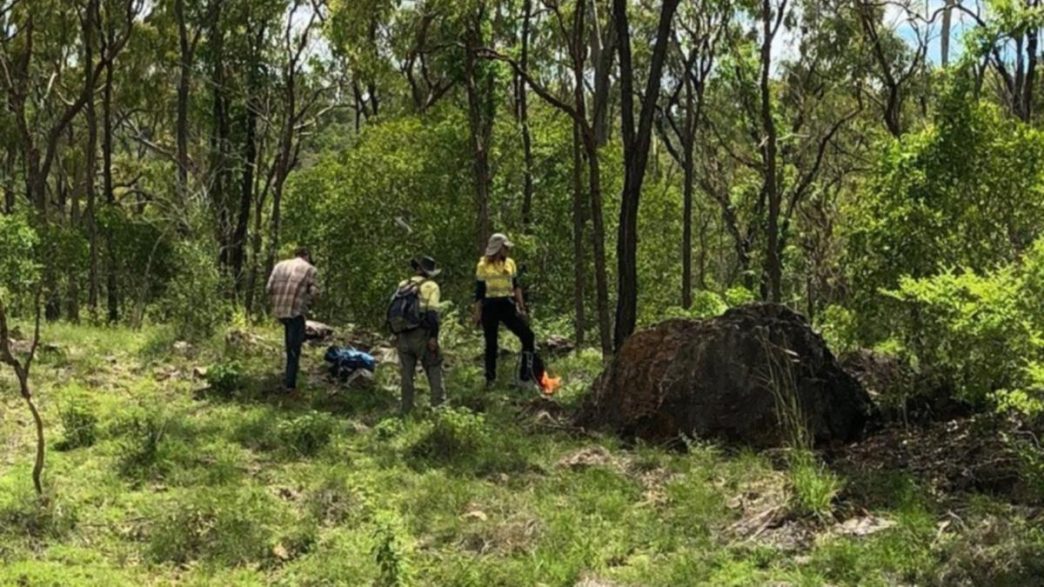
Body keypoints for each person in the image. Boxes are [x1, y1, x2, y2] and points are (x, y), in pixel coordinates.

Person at [472, 233, 536, 388]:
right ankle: (490, 379)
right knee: (491, 343)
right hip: (490, 306)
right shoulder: (482, 266)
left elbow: (516, 285)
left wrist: (522, 307)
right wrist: (477, 313)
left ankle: (525, 376)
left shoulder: (510, 263)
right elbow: (479, 292)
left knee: (528, 335)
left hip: (507, 304)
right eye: (505, 247)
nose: (507, 250)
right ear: (498, 248)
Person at [394, 256, 445, 413]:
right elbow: (432, 314)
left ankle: (406, 409)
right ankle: (439, 408)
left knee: (407, 375)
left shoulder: (403, 284)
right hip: (422, 334)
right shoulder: (431, 286)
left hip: (403, 335)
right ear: (429, 272)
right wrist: (433, 337)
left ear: (416, 269)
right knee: (434, 366)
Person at [266, 247, 319, 394]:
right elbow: (314, 293)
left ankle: (288, 380)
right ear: (306, 256)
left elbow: (268, 288)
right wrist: (309, 302)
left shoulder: (279, 266)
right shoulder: (310, 269)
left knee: (290, 347)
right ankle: (290, 385)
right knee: (294, 350)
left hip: (281, 313)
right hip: (296, 313)